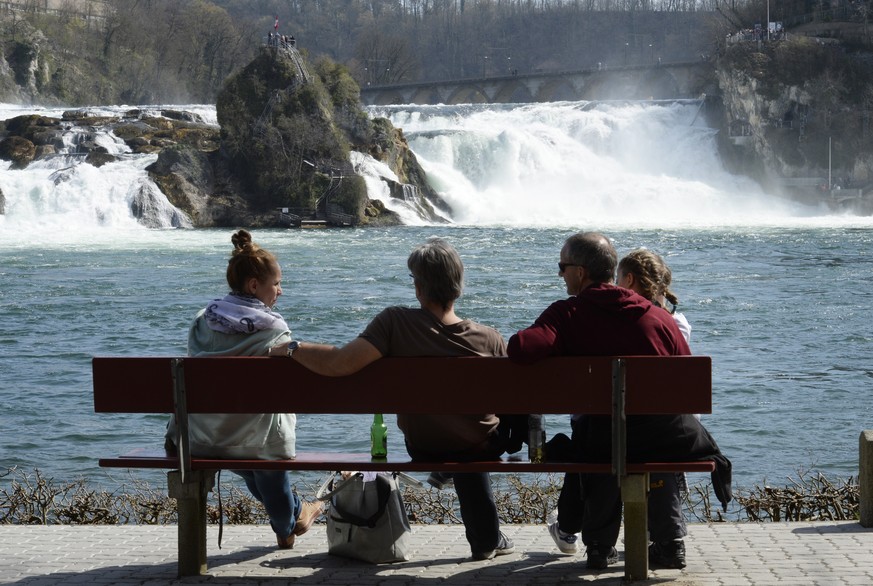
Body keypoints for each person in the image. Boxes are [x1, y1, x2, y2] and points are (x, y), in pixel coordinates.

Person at [506, 232, 731, 570]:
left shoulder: (567, 315)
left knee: (602, 434)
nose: (560, 274)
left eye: (562, 267)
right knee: (644, 431)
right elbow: (685, 376)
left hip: (600, 444)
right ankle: (668, 543)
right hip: (662, 442)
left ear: (580, 272)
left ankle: (598, 546)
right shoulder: (659, 319)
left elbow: (521, 348)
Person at [286, 238, 515, 561]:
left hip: (424, 444)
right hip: (477, 444)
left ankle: (481, 527)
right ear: (457, 286)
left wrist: (293, 348)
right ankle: (487, 540)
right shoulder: (489, 338)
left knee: (458, 441)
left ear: (419, 288)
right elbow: (512, 398)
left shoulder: (395, 323)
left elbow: (339, 364)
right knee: (470, 444)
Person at [165, 229, 322, 550]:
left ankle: (295, 517)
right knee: (264, 457)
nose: (281, 290)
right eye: (276, 283)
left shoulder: (201, 320)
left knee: (253, 459)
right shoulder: (274, 328)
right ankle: (289, 523)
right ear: (254, 285)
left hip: (199, 437)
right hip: (256, 441)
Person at [616, 248, 693, 568]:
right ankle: (668, 539)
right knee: (661, 435)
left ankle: (595, 540)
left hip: (626, 429)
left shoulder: (628, 322)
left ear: (630, 280)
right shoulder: (678, 323)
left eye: (618, 280)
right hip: (677, 427)